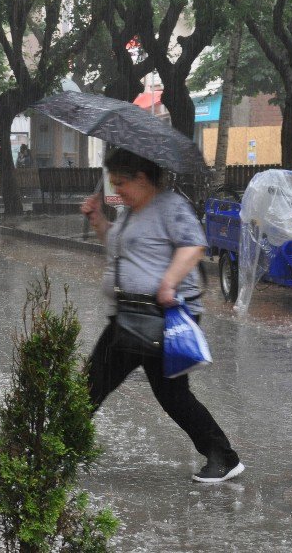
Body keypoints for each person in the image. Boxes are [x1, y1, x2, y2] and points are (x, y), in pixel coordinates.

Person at [80, 148, 244, 483]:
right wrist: (98, 221)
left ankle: (53, 447)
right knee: (108, 384)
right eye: (114, 183)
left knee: (103, 384)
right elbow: (118, 247)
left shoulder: (170, 206)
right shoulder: (130, 211)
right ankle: (222, 456)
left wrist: (168, 283)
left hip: (159, 316)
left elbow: (194, 245)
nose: (118, 190)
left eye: (122, 183)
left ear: (142, 178)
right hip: (130, 313)